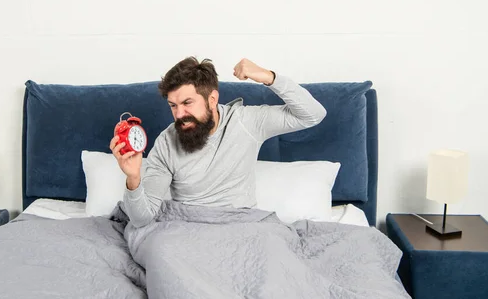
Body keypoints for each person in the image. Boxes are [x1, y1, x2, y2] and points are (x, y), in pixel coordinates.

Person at [109, 57, 327, 228]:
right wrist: (133, 178)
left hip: (242, 228)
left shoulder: (245, 121)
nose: (179, 114)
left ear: (212, 99)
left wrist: (268, 77)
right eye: (173, 106)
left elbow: (313, 115)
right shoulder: (167, 142)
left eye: (187, 103)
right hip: (187, 232)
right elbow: (142, 220)